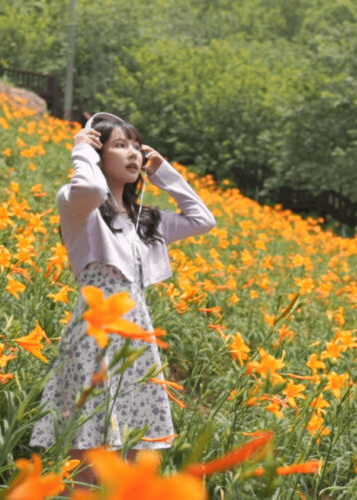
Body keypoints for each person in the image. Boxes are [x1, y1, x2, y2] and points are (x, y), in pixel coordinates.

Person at [29, 112, 216, 494]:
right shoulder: (78, 207)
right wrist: (81, 152)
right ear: (99, 152)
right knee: (87, 451)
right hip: (93, 341)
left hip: (135, 340)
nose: (132, 153)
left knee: (130, 451)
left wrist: (165, 174)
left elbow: (203, 219)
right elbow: (93, 191)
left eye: (136, 145)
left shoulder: (146, 221)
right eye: (119, 145)